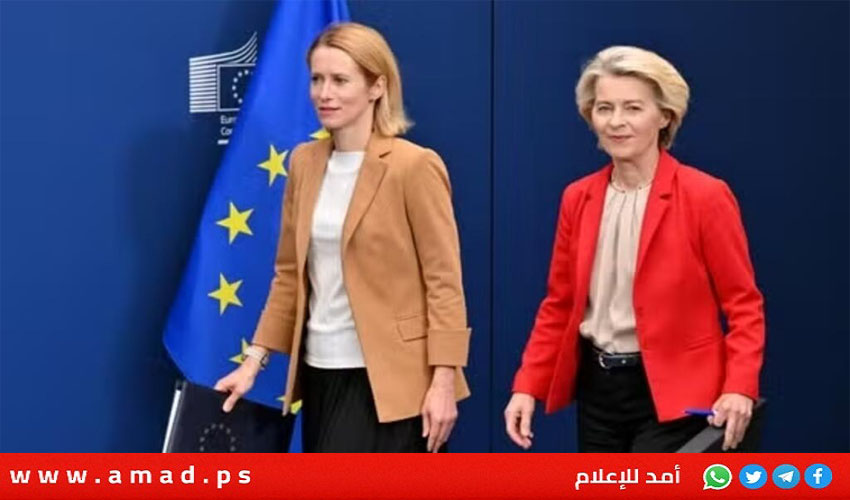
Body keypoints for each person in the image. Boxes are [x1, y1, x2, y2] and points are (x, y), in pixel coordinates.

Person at [214, 22, 471, 453]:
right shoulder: (304, 162)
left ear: (377, 87)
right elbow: (289, 276)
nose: (324, 93)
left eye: (339, 80)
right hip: (320, 375)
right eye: (317, 79)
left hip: (396, 384)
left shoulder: (414, 166)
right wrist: (253, 363)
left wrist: (444, 381)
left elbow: (444, 283)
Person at [504, 46, 765, 452]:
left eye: (633, 108)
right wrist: (527, 386)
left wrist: (739, 387)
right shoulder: (578, 197)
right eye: (604, 108)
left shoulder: (705, 196)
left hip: (678, 396)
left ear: (664, 116)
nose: (616, 122)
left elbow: (743, 305)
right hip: (599, 393)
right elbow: (560, 304)